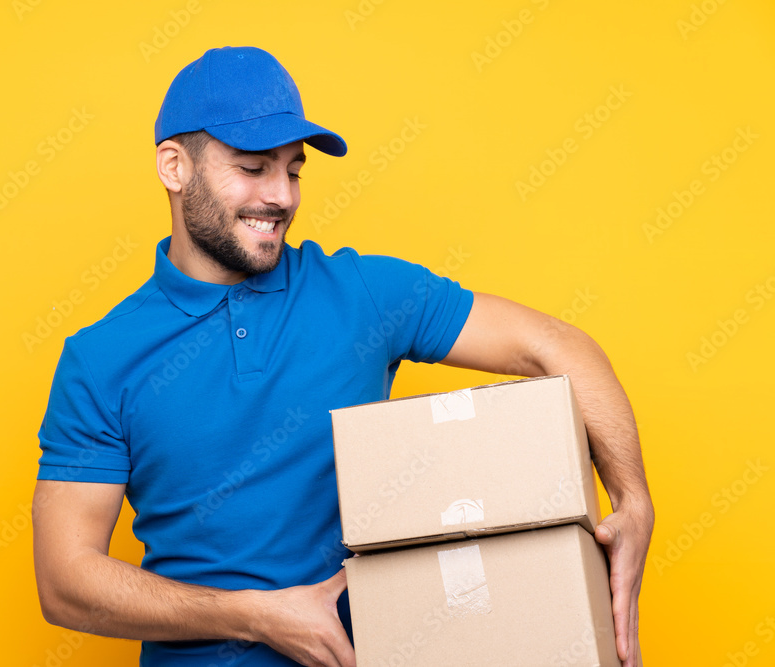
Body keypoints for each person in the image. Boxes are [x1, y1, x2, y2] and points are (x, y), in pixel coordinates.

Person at [32, 46, 653, 667]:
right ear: (174, 167)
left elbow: (557, 346)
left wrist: (632, 500)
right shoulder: (101, 357)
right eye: (253, 168)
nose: (281, 197)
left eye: (294, 171)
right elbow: (65, 581)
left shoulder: (361, 293)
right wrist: (253, 616)